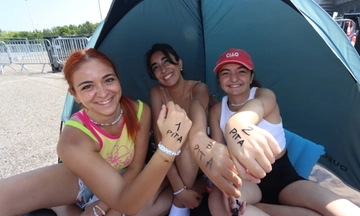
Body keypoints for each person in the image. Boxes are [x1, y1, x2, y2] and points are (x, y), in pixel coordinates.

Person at [0, 48, 192, 216]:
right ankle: (63, 205)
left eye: (108, 80)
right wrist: (169, 145)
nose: (102, 93)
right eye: (88, 86)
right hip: (81, 180)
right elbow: (126, 203)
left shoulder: (140, 111)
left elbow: (134, 169)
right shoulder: (72, 139)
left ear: (118, 79)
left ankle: (64, 208)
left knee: (158, 202)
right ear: (75, 94)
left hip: (125, 179)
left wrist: (103, 209)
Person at [207, 48, 360, 216]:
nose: (234, 78)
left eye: (241, 71)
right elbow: (217, 153)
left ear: (251, 76)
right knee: (228, 204)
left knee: (338, 208)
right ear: (219, 80)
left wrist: (236, 124)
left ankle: (264, 207)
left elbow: (251, 112)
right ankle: (259, 207)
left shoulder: (264, 95)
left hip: (282, 177)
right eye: (226, 73)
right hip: (247, 180)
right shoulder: (217, 111)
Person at [145, 43, 209, 216]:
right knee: (144, 208)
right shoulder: (157, 92)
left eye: (167, 62)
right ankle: (198, 188)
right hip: (167, 161)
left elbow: (196, 111)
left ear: (179, 63)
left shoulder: (199, 88)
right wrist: (180, 191)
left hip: (197, 157)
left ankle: (184, 201)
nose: (163, 69)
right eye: (156, 67)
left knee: (185, 134)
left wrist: (180, 191)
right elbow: (160, 142)